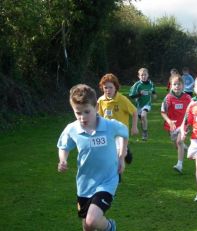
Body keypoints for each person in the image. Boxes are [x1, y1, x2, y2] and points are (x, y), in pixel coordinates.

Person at [57, 84, 128, 231]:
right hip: (84, 184)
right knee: (87, 226)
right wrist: (63, 160)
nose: (82, 117)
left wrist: (121, 156)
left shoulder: (109, 126)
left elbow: (124, 132)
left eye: (87, 112)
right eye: (78, 113)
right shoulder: (72, 129)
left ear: (96, 108)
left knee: (92, 220)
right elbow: (63, 146)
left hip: (108, 180)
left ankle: (110, 227)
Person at [98, 73, 138, 165]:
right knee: (111, 153)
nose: (108, 90)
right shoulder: (100, 100)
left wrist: (134, 127)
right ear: (102, 88)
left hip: (121, 132)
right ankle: (125, 155)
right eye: (105, 88)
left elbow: (135, 112)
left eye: (110, 87)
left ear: (116, 87)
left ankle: (125, 154)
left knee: (119, 152)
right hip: (108, 131)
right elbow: (99, 116)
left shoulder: (122, 99)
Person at [161, 74, 192, 174]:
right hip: (173, 126)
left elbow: (193, 109)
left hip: (184, 124)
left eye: (179, 84)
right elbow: (163, 112)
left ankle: (179, 165)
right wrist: (169, 121)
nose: (177, 86)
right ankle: (188, 149)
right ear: (171, 86)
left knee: (179, 142)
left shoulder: (187, 97)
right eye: (174, 84)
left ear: (183, 85)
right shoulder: (168, 98)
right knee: (177, 145)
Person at [129, 67, 157, 141]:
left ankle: (145, 132)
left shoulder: (151, 84)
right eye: (142, 75)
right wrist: (139, 94)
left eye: (145, 75)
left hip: (147, 104)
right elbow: (131, 95)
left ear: (148, 75)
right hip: (138, 105)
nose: (143, 76)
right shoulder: (137, 85)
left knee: (143, 116)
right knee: (141, 119)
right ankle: (144, 132)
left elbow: (154, 93)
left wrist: (154, 95)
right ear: (139, 76)